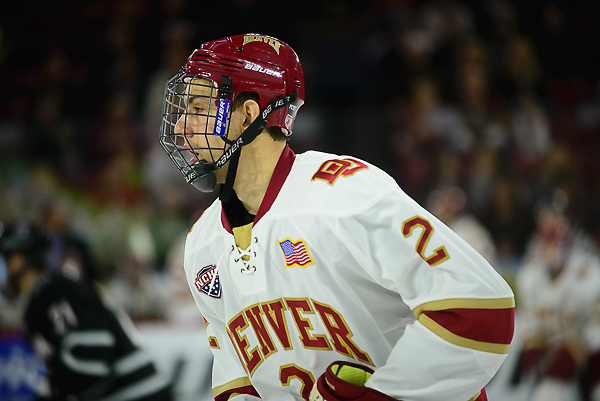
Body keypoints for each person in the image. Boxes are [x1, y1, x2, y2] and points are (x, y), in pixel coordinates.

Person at [159, 33, 515, 401]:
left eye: (199, 109)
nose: (182, 127)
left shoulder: (346, 197)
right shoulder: (203, 245)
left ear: (249, 112)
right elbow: (239, 383)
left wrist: (385, 396)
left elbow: (482, 310)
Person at [0, 221, 173, 401]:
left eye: (5, 258)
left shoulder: (56, 293)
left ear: (19, 260)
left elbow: (93, 358)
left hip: (139, 394)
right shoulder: (45, 297)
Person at [513, 196, 600, 401]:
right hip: (549, 359)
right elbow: (526, 318)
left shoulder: (589, 274)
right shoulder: (529, 274)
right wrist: (531, 340)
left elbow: (597, 326)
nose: (549, 250)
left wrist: (579, 347)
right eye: (545, 243)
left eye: (554, 243)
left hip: (589, 357)